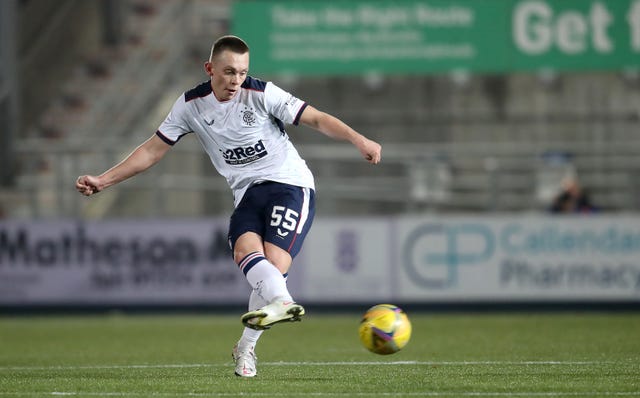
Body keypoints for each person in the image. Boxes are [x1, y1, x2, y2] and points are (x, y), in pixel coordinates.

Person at [75, 35, 382, 377]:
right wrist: (104, 180)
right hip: (247, 193)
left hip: (290, 185)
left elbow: (316, 118)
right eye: (229, 72)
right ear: (210, 69)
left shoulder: (262, 93)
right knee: (246, 255)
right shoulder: (190, 105)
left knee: (274, 266)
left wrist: (360, 139)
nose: (236, 80)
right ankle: (277, 307)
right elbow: (152, 150)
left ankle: (250, 344)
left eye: (242, 72)